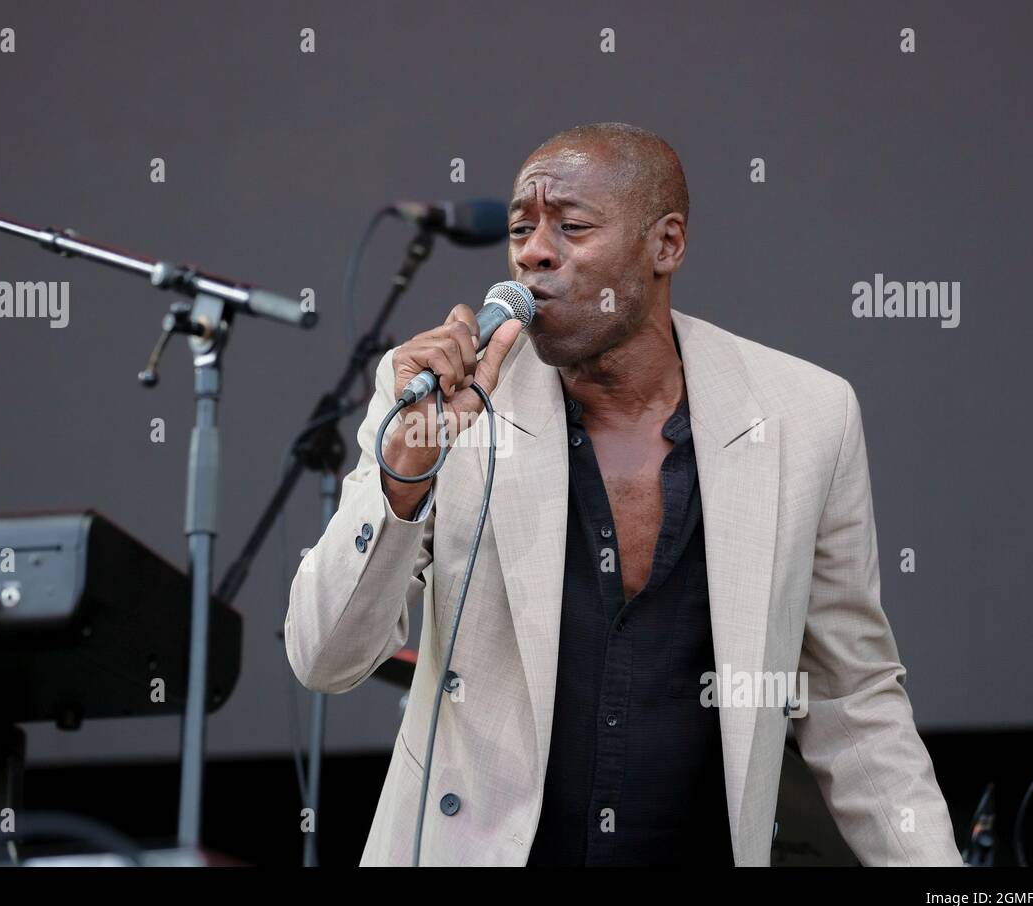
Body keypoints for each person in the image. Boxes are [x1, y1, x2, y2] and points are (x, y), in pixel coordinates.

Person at [285, 122, 962, 866]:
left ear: (665, 245)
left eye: (571, 226)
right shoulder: (445, 400)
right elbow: (325, 660)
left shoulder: (805, 415)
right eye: (521, 228)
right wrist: (404, 471)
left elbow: (853, 699)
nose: (534, 251)